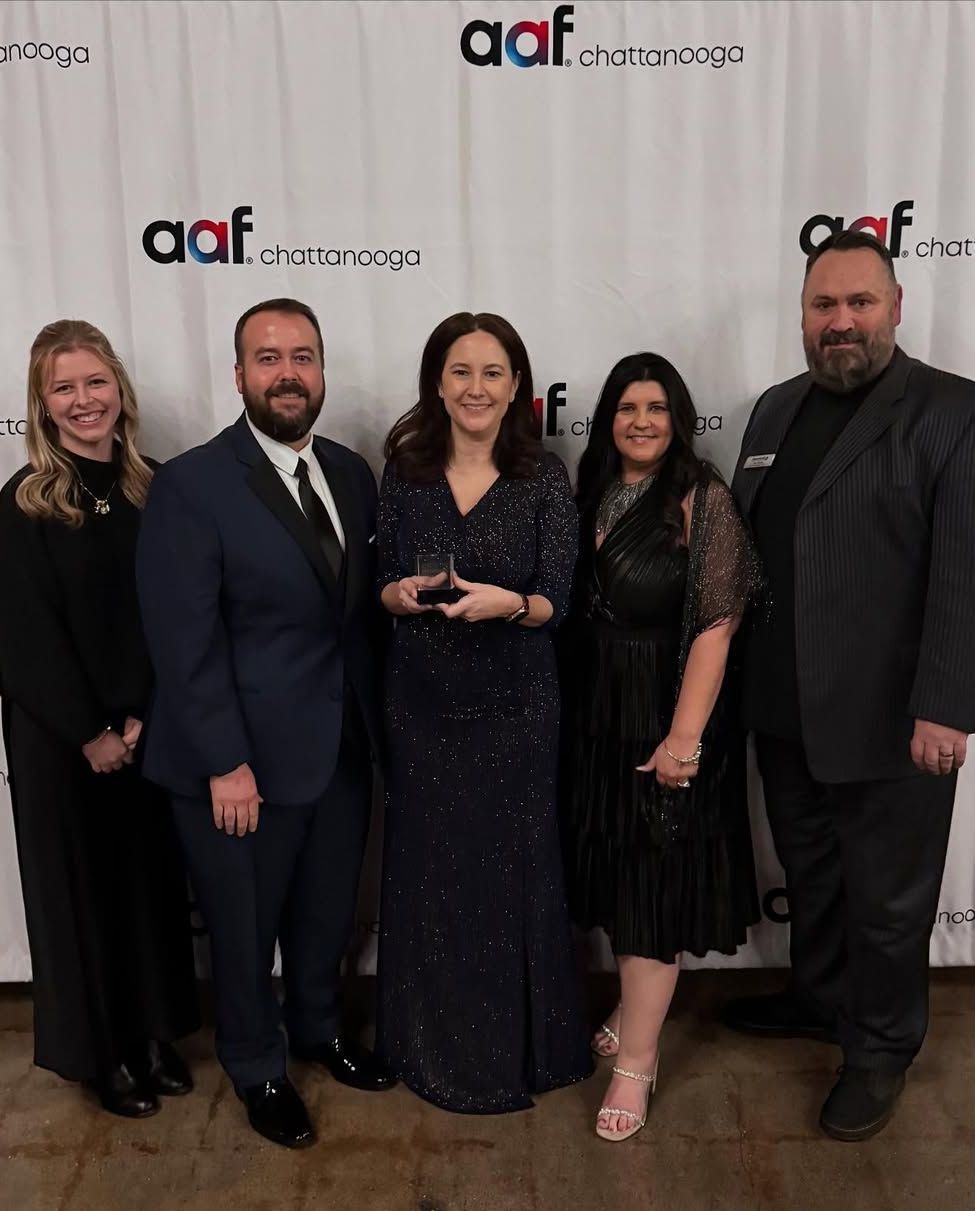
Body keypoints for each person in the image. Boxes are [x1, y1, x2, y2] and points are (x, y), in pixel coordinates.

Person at [724, 230, 975, 1141]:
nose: (840, 322)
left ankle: (878, 1050)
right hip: (783, 709)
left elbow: (964, 571)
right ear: (801, 315)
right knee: (814, 876)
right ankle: (819, 999)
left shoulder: (951, 411)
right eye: (822, 305)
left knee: (889, 899)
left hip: (895, 719)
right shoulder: (771, 410)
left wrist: (947, 703)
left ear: (896, 307)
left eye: (858, 303)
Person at [135, 298, 394, 1150]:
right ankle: (258, 1066)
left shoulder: (353, 474)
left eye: (304, 356)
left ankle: (318, 1030)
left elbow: (353, 621)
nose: (289, 373)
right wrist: (223, 760)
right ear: (239, 374)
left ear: (322, 371)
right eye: (269, 357)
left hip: (338, 752)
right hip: (238, 764)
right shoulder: (191, 483)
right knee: (243, 933)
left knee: (324, 915)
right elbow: (183, 639)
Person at [375, 311, 592, 1113]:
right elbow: (384, 582)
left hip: (516, 707)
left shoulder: (544, 477)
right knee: (431, 873)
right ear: (437, 381)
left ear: (516, 387)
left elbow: (557, 602)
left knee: (511, 875)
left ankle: (522, 1050)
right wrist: (395, 594)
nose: (475, 386)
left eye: (492, 371)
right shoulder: (404, 470)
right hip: (422, 706)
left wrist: (511, 602)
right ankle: (424, 1043)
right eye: (460, 370)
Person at [560, 353, 762, 1142]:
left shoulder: (699, 496)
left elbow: (717, 625)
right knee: (612, 872)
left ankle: (636, 1063)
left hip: (664, 718)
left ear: (676, 417)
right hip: (594, 717)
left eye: (654, 407)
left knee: (651, 886)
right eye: (624, 406)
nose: (639, 420)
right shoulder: (594, 490)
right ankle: (626, 1007)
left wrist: (683, 740)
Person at [0, 320, 199, 1118]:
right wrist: (90, 731)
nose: (83, 400)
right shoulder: (22, 504)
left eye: (94, 382)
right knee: (79, 898)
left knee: (150, 886)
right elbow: (22, 634)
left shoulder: (159, 488)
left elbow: (179, 615)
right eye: (64, 387)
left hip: (150, 728)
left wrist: (148, 716)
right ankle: (103, 1051)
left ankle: (155, 1034)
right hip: (63, 741)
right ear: (42, 406)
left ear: (120, 389)